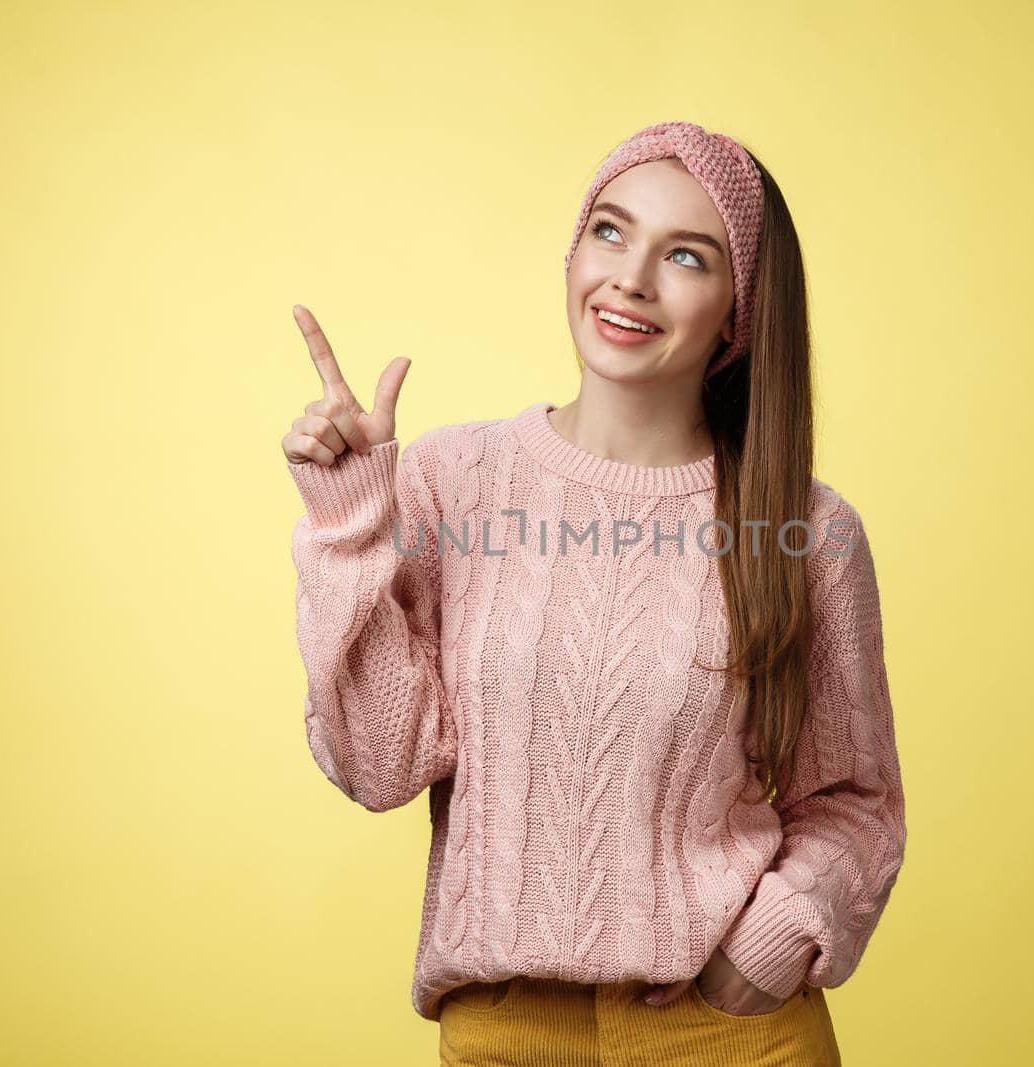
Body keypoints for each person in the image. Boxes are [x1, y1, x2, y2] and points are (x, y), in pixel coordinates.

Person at [280, 120, 906, 1066]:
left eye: (685, 256)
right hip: (504, 1031)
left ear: (740, 310)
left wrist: (759, 956)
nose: (631, 279)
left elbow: (858, 801)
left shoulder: (807, 530)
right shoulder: (453, 480)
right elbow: (377, 764)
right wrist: (347, 525)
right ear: (573, 252)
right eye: (610, 232)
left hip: (727, 1035)